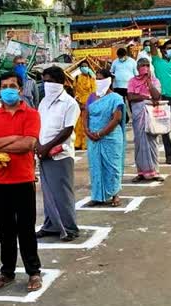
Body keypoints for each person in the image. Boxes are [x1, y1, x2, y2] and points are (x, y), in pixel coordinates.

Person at [0, 72, 43, 292]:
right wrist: (13, 139)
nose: (8, 89)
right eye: (4, 86)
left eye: (12, 86)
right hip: (0, 182)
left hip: (23, 179)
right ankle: (7, 272)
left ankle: (33, 271)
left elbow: (28, 145)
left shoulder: (32, 114)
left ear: (20, 89)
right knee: (4, 230)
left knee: (26, 229)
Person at [35, 66, 81, 242]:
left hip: (60, 153)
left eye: (50, 81)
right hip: (43, 151)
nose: (46, 84)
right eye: (44, 81)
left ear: (59, 82)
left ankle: (69, 227)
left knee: (62, 191)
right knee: (48, 191)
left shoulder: (69, 103)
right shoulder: (44, 102)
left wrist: (47, 147)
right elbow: (39, 125)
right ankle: (51, 225)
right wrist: (39, 145)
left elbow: (67, 129)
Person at [83, 68, 125, 207]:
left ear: (109, 80)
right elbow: (85, 114)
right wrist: (87, 131)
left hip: (110, 137)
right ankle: (97, 196)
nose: (98, 81)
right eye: (97, 78)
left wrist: (101, 133)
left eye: (101, 78)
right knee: (95, 166)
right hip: (93, 137)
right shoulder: (91, 97)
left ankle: (115, 194)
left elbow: (116, 118)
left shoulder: (116, 98)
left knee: (112, 166)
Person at [127, 58, 163, 183]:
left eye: (147, 65)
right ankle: (141, 172)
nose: (145, 67)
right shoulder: (132, 81)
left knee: (152, 143)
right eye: (142, 65)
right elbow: (131, 97)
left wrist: (149, 83)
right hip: (138, 117)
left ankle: (154, 171)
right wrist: (144, 97)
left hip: (151, 118)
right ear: (137, 68)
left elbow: (157, 96)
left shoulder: (155, 81)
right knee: (139, 144)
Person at [73, 65, 96, 150]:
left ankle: (86, 144)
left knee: (88, 124)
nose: (84, 68)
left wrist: (88, 105)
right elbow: (75, 92)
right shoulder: (76, 78)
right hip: (79, 104)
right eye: (82, 66)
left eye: (85, 66)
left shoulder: (92, 78)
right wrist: (79, 103)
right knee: (78, 124)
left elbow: (94, 92)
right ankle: (77, 143)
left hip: (89, 103)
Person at [110, 47, 138, 116]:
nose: (120, 58)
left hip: (130, 86)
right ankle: (124, 117)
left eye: (122, 56)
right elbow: (111, 72)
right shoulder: (115, 62)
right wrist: (113, 75)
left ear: (126, 55)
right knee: (121, 103)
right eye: (119, 57)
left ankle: (135, 115)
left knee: (131, 102)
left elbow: (136, 74)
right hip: (118, 86)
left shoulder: (132, 61)